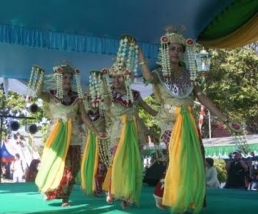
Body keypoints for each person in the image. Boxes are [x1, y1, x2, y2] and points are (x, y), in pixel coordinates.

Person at [137, 28, 236, 213]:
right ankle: (168, 195)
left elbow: (202, 97)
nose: (176, 52)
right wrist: (141, 55)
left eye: (179, 49)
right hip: (169, 122)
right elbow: (148, 77)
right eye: (172, 49)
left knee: (196, 159)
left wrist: (225, 119)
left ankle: (185, 197)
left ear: (183, 53)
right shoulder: (159, 73)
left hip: (189, 122)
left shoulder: (189, 75)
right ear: (165, 52)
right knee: (178, 158)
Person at [31, 64, 104, 207]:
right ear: (58, 79)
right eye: (64, 78)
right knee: (54, 163)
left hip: (74, 135)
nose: (67, 81)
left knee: (73, 167)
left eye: (70, 79)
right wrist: (40, 76)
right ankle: (51, 190)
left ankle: (65, 197)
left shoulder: (77, 98)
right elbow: (38, 93)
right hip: (56, 135)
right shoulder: (51, 95)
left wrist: (96, 132)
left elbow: (84, 116)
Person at [101, 63, 157, 209]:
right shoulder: (109, 94)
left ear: (125, 78)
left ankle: (127, 195)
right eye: (113, 77)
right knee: (117, 161)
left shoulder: (135, 94)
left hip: (135, 132)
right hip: (118, 132)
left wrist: (167, 112)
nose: (116, 80)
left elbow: (149, 110)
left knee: (132, 164)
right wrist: (103, 84)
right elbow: (106, 105)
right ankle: (111, 190)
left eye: (119, 77)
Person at [81, 70, 109, 196]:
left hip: (102, 140)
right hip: (90, 142)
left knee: (102, 165)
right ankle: (92, 187)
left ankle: (104, 188)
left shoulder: (104, 112)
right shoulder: (85, 114)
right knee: (91, 163)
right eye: (91, 100)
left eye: (95, 99)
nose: (93, 102)